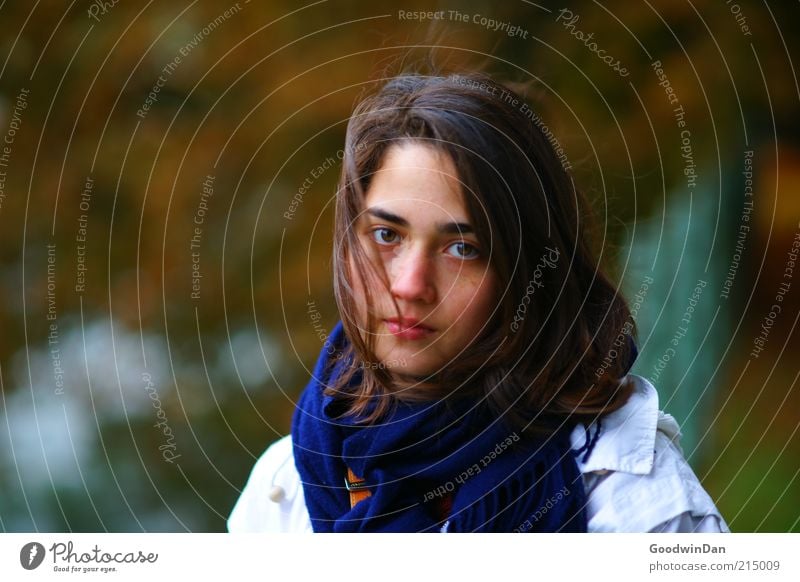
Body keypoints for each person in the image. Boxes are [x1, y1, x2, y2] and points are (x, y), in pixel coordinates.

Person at [228, 73, 729, 533]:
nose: (409, 284)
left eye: (462, 248)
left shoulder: (635, 502)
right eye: (385, 234)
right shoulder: (286, 481)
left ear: (530, 269)